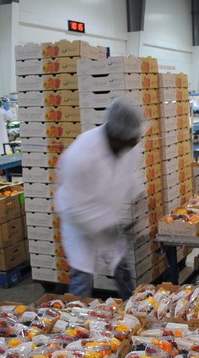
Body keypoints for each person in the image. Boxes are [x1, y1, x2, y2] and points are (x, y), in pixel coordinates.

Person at [55, 99, 145, 299]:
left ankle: (132, 308)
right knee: (82, 274)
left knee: (120, 267)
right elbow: (71, 206)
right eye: (131, 141)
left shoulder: (127, 146)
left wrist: (139, 203)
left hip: (107, 215)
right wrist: (103, 226)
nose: (135, 144)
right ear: (116, 136)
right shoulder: (81, 155)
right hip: (80, 221)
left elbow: (130, 176)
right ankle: (76, 313)